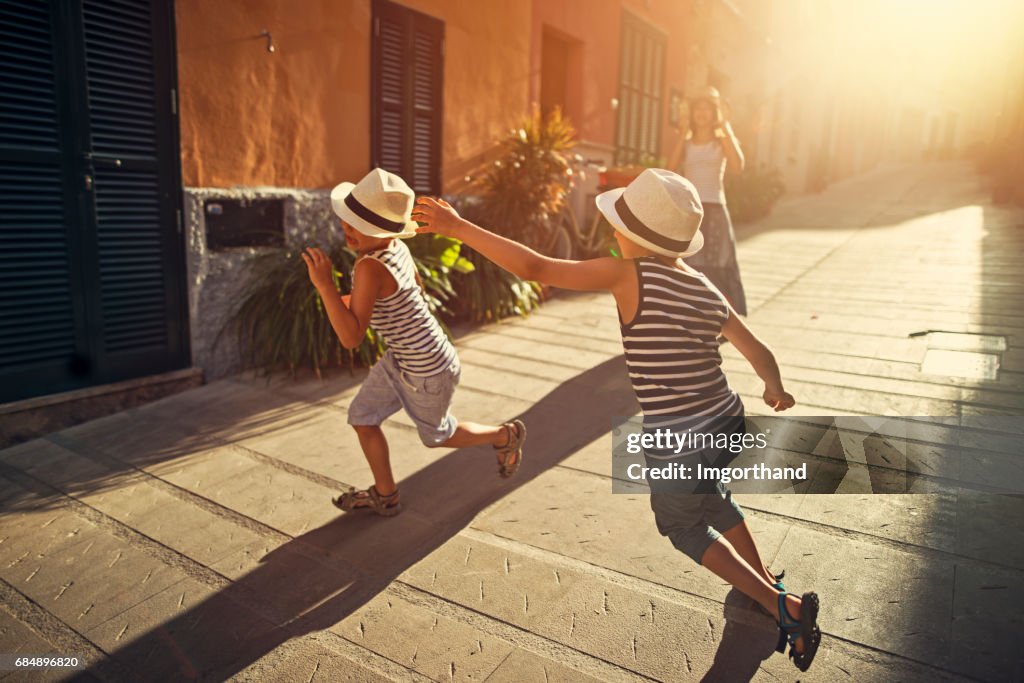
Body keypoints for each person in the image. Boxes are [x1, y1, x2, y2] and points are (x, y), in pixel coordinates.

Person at [412, 168, 821, 671]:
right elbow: (758, 350)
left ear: (635, 237)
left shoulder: (627, 273)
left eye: (617, 227)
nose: (611, 234)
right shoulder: (702, 285)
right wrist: (774, 389)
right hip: (726, 419)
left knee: (681, 527)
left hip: (680, 436)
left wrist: (460, 228)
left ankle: (787, 607)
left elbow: (535, 266)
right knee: (711, 498)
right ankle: (763, 585)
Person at [302, 168, 526, 516]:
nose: (346, 229)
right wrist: (350, 301)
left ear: (381, 230)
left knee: (438, 436)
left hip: (427, 370)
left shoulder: (368, 268)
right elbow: (407, 294)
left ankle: (503, 435)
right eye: (346, 220)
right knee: (362, 416)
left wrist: (325, 287)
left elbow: (350, 337)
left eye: (356, 224)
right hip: (406, 358)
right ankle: (386, 494)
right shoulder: (395, 249)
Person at [667, 86, 748, 315]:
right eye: (697, 108)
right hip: (691, 211)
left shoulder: (721, 141)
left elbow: (738, 166)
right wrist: (682, 134)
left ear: (714, 113)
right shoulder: (687, 142)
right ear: (692, 113)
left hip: (715, 208)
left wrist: (726, 128)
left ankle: (721, 316)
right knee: (689, 262)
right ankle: (690, 314)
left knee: (718, 261)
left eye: (707, 109)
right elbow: (670, 169)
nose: (702, 113)